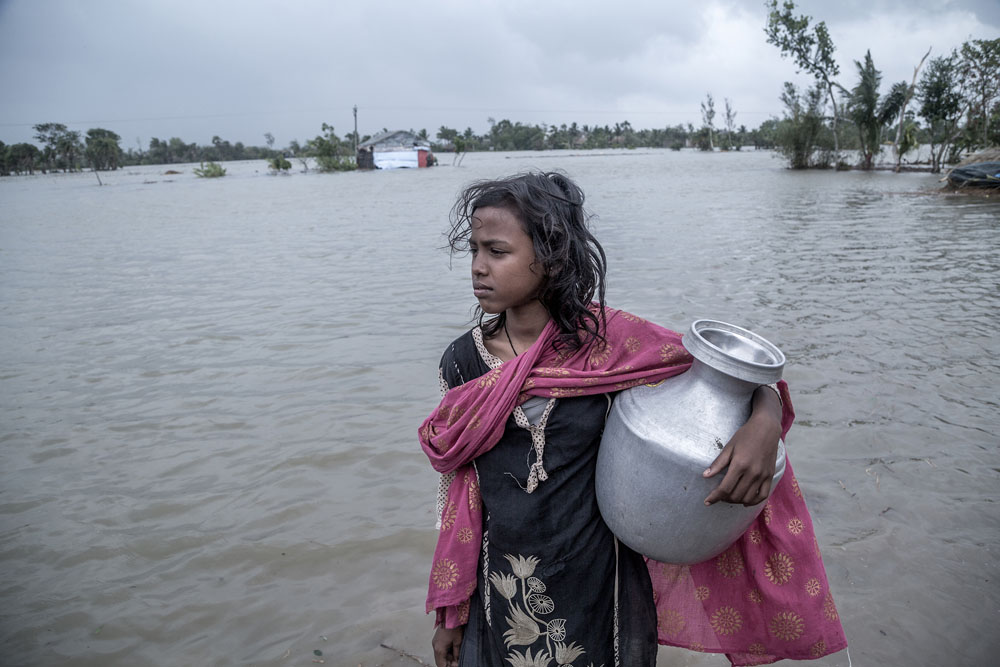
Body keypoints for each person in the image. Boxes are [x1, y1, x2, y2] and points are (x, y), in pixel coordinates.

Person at [418, 172, 846, 667]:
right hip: (501, 587)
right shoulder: (464, 364)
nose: (477, 267)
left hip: (602, 580)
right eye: (473, 250)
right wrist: (449, 612)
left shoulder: (611, 347)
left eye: (497, 251)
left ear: (552, 256)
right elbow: (462, 499)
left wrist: (766, 418)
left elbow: (726, 381)